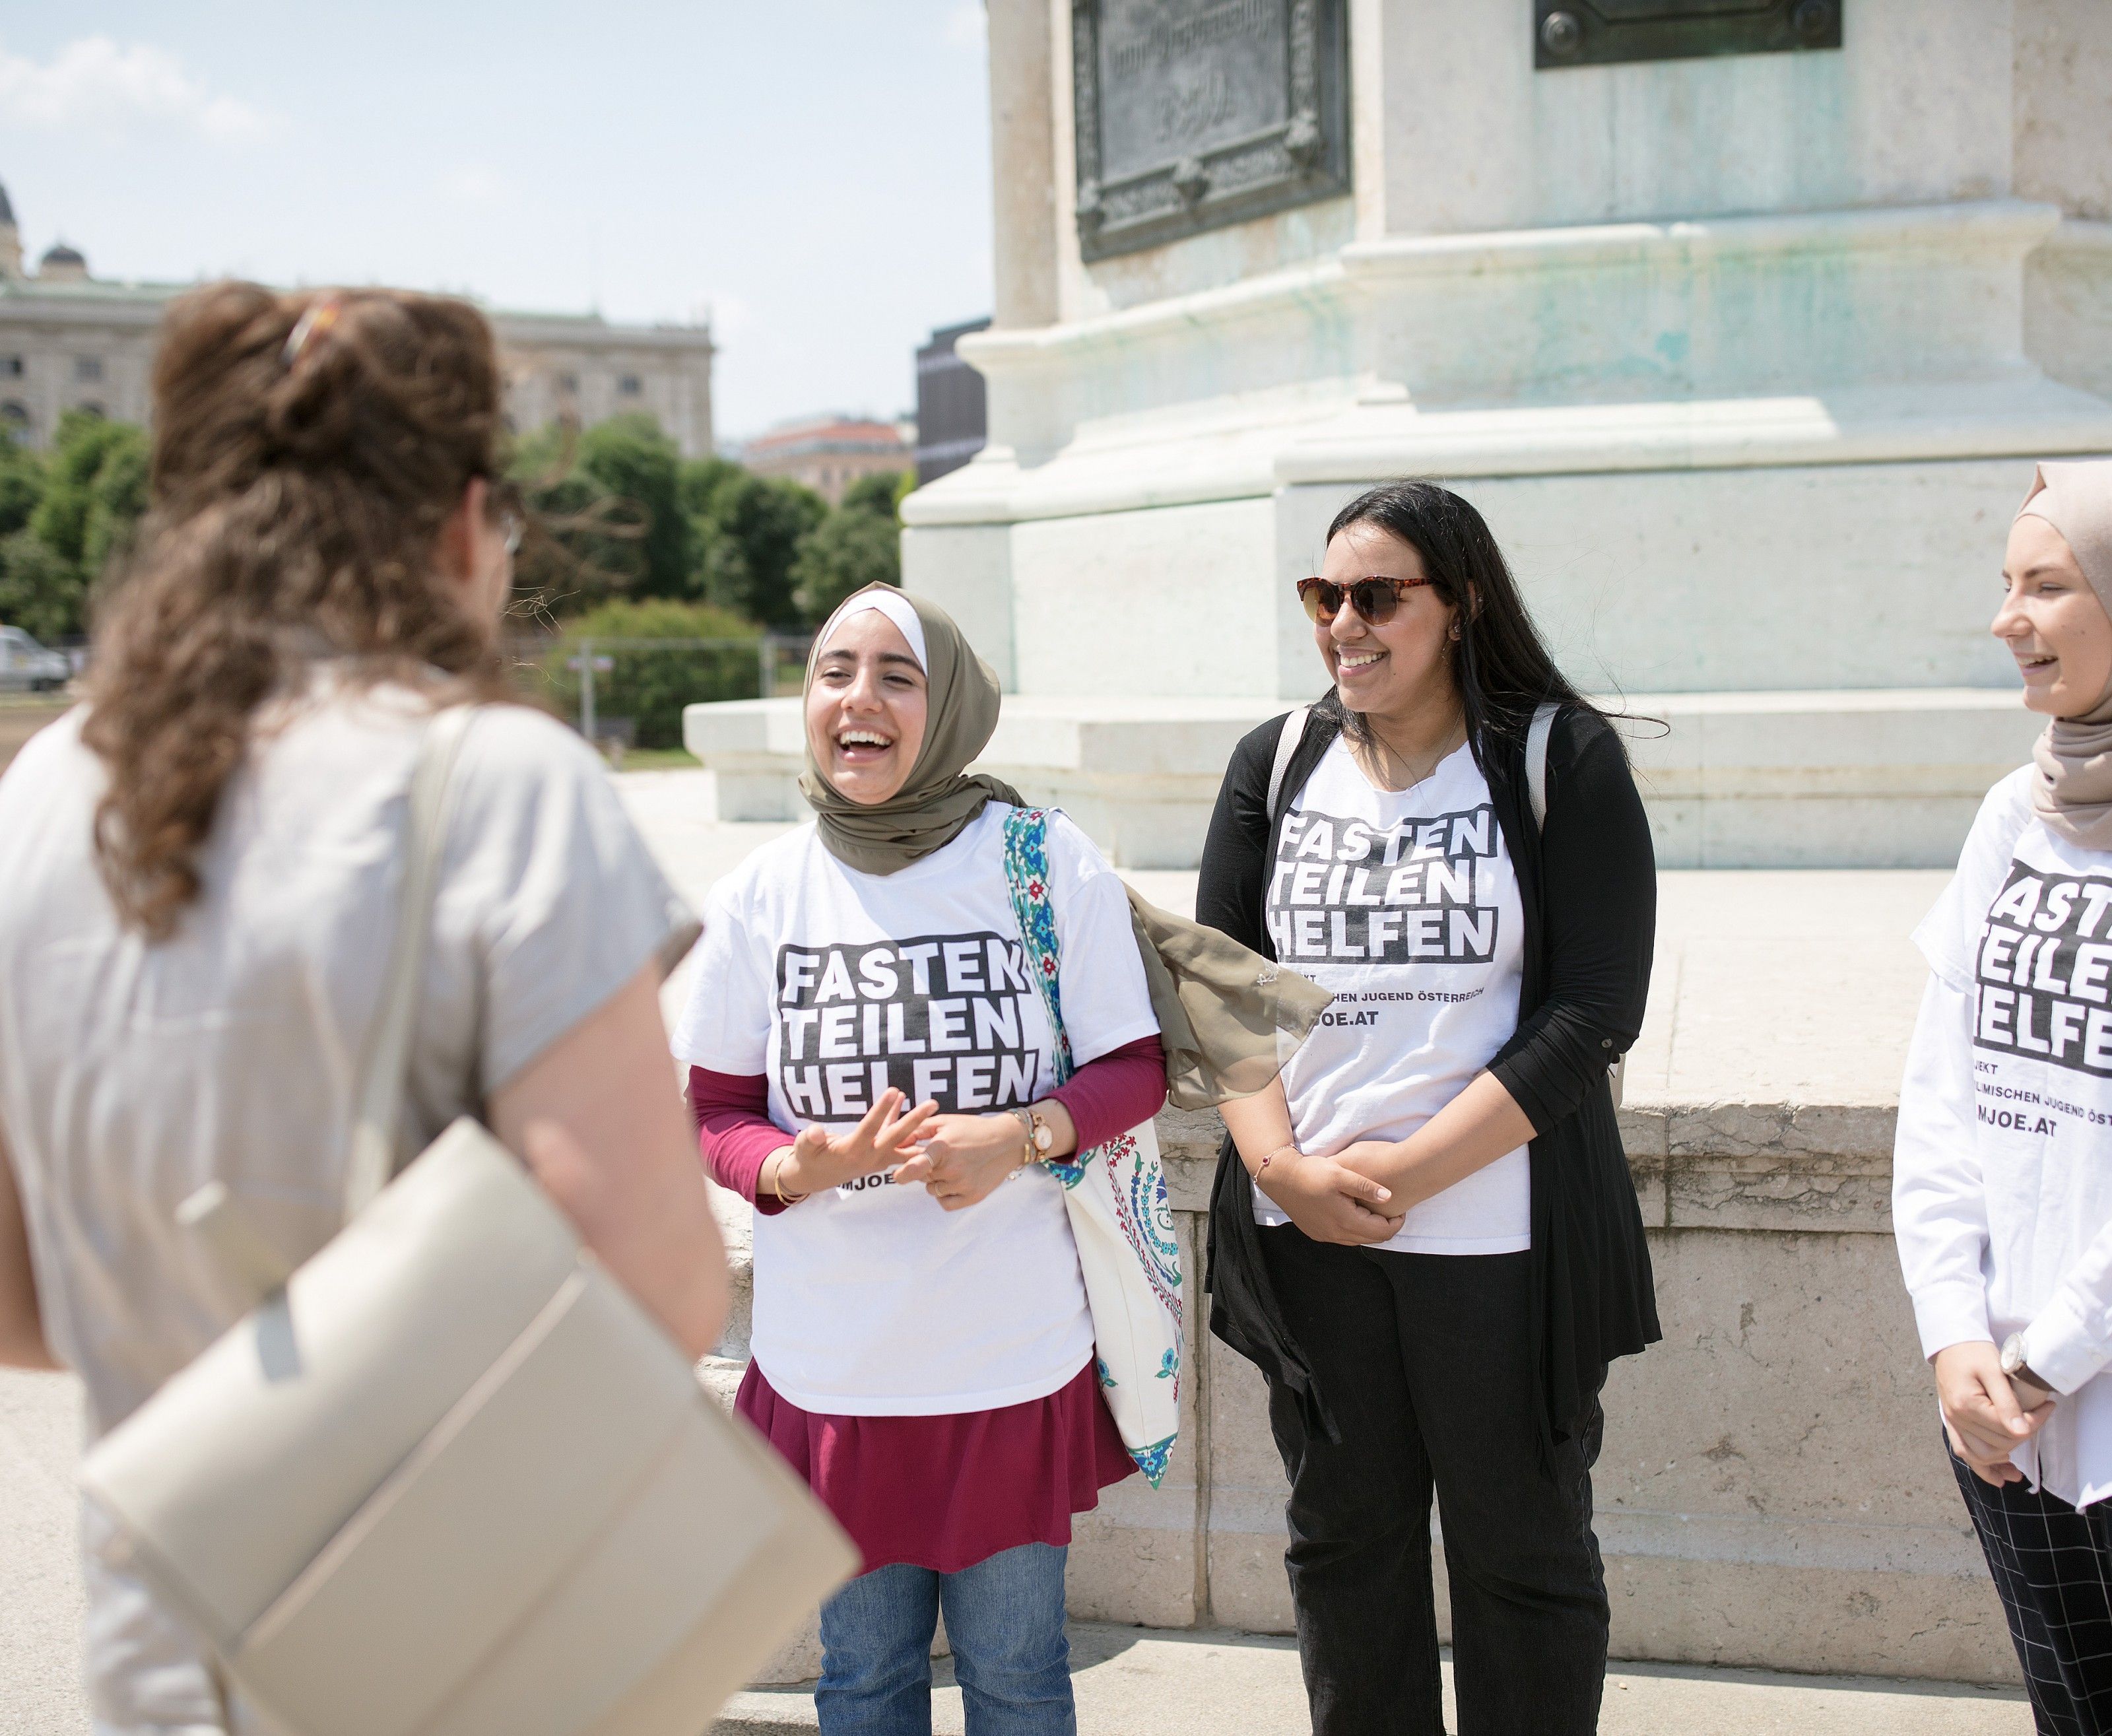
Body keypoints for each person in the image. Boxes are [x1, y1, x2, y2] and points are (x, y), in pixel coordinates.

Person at [0, 282, 728, 1736]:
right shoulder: (496, 784)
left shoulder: (42, 795)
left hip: (164, 1660)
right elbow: (654, 1284)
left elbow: (18, 1297)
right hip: (454, 1662)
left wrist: (219, 1348)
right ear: (463, 525)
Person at [673, 582, 1319, 1736]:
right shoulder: (761, 895)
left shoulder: (1035, 857)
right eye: (833, 671)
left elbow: (1130, 1068)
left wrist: (1017, 1136)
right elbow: (715, 1110)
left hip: (1003, 1359)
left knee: (1018, 1677)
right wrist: (792, 1168)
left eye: (896, 676)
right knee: (861, 1679)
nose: (858, 699)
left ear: (950, 705)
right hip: (837, 1372)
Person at [1196, 480, 1660, 1735]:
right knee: (1344, 1551)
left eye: (1379, 595)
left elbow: (1592, 1014)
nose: (1346, 621)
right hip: (1311, 1236)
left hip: (1498, 1240)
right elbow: (1226, 994)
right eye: (1325, 595)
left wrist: (1408, 1173)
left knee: (1523, 1559)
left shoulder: (1559, 755)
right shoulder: (1276, 762)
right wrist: (1283, 1171)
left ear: (1457, 606)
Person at [1895, 459, 2112, 1734]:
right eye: (2005, 584)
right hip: (2002, 1421)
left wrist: (2048, 1358)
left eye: (2048, 583)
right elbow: (1943, 1097)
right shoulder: (2009, 817)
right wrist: (1957, 1341)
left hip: (2057, 1380)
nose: (2006, 618)